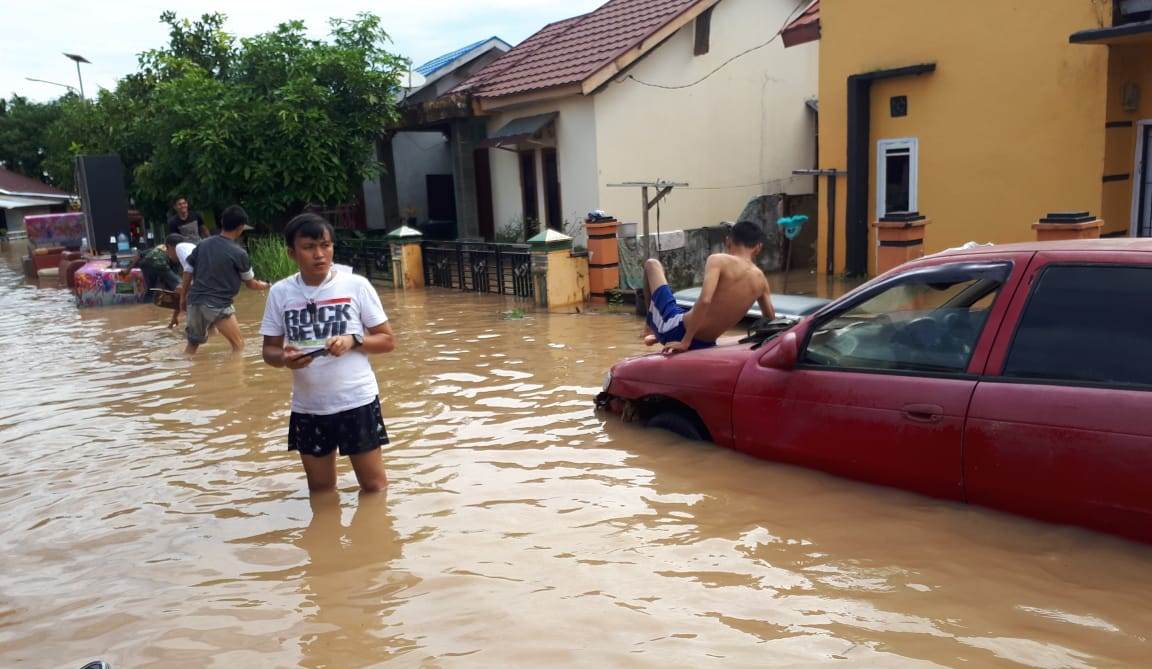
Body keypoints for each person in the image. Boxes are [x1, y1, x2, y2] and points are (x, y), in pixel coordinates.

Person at [260, 213, 395, 494]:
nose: (320, 254)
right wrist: (284, 359)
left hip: (356, 400)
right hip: (309, 407)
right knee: (321, 490)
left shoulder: (356, 285)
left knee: (374, 487)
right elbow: (269, 350)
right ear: (292, 253)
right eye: (309, 247)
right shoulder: (280, 293)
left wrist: (354, 340)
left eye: (326, 245)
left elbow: (387, 340)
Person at [644, 220, 775, 353]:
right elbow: (770, 320)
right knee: (682, 310)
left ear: (728, 241)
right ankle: (655, 330)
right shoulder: (761, 280)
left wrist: (685, 342)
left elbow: (705, 300)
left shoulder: (718, 260)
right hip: (707, 342)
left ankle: (650, 328)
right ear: (758, 247)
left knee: (651, 264)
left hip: (677, 330)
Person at [180, 204, 268, 354]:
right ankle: (235, 377)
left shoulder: (202, 244)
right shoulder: (239, 253)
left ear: (222, 222)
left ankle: (189, 375)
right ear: (240, 228)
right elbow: (251, 284)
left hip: (194, 302)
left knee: (192, 346)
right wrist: (266, 285)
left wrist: (183, 297)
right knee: (239, 345)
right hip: (218, 304)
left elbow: (188, 270)